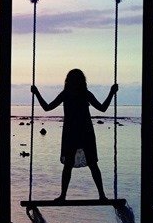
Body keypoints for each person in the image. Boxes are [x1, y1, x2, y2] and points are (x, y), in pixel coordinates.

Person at [31, 68, 118, 201]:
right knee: (78, 165)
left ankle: (99, 195)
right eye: (74, 79)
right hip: (77, 133)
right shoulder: (72, 94)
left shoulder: (79, 94)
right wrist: (36, 93)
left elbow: (102, 108)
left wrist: (112, 93)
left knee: (90, 164)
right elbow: (47, 108)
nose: (76, 82)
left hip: (80, 133)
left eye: (77, 79)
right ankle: (68, 195)